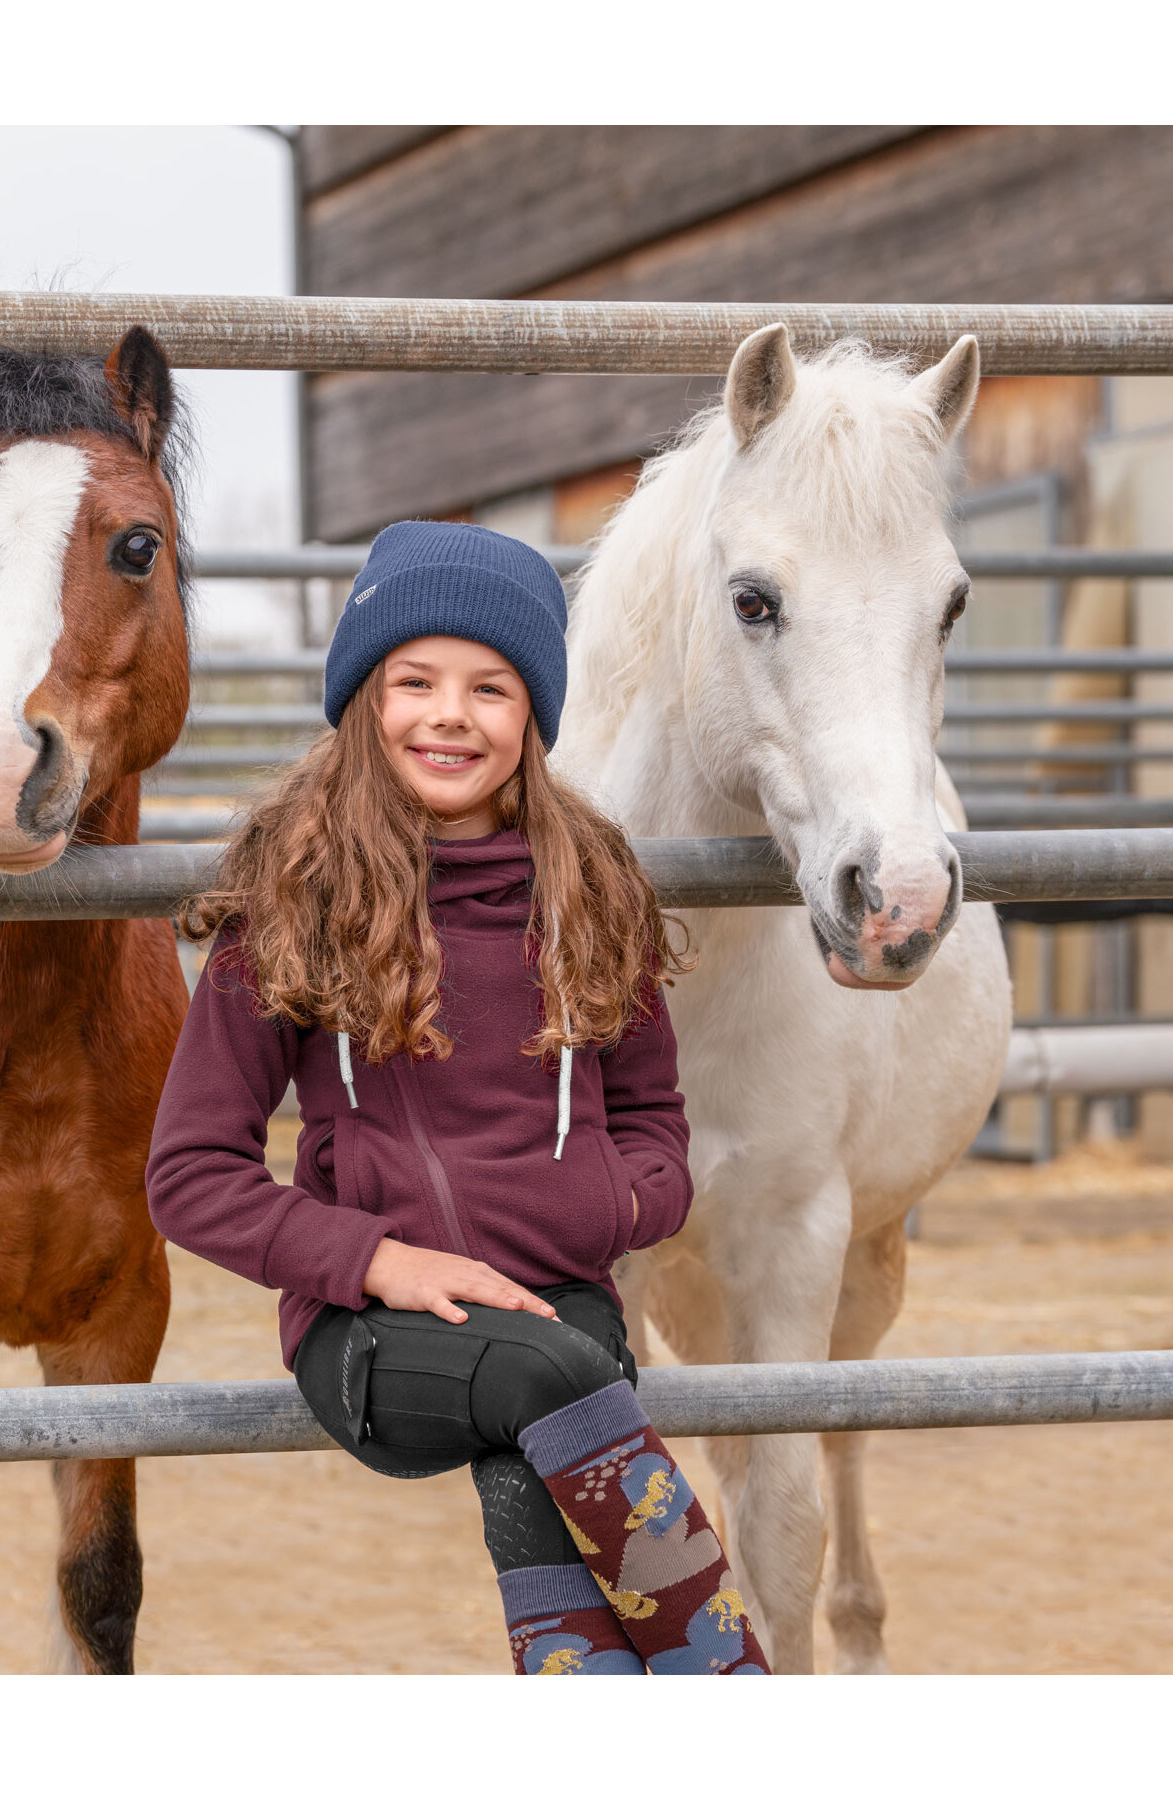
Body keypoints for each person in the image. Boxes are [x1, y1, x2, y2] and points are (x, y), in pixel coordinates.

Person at [146, 521, 769, 1676]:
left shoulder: (589, 887)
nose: (449, 715)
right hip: (370, 1330)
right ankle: (731, 1685)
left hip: (559, 1299)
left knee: (546, 1485)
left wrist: (609, 1209)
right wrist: (383, 1262)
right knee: (565, 1378)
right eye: (413, 681)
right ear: (361, 702)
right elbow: (189, 1175)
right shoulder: (294, 894)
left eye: (489, 687)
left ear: (531, 714)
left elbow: (654, 1128)